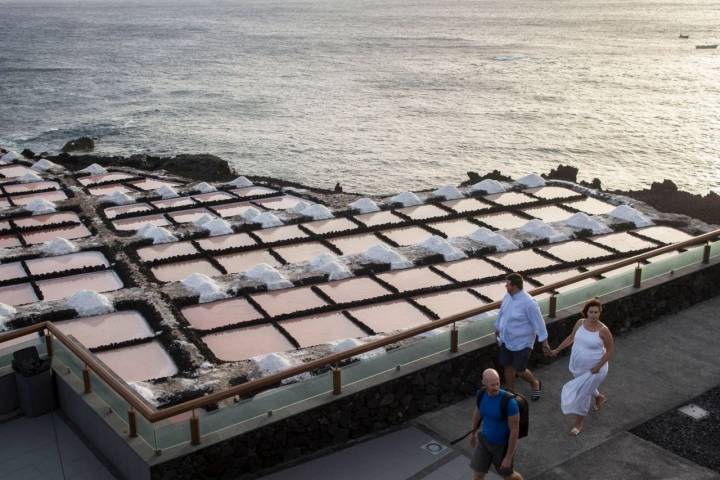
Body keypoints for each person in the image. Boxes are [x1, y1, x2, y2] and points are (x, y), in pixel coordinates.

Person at [550, 299, 614, 436]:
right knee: (586, 387)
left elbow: (610, 351)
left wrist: (598, 366)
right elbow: (571, 338)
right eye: (591, 312)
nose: (594, 315)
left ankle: (579, 424)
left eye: (596, 312)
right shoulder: (580, 323)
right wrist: (558, 349)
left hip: (595, 370)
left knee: (582, 394)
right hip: (578, 367)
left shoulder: (604, 331)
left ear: (600, 313)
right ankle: (599, 397)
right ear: (586, 312)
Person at [495, 273, 550, 400]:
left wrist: (544, 342)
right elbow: (502, 313)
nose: (505, 286)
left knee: (519, 370)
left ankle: (535, 383)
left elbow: (539, 323)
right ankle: (510, 391)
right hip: (506, 339)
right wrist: (497, 328)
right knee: (507, 365)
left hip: (522, 343)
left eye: (507, 284)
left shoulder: (529, 303)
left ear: (514, 286)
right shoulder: (508, 297)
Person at [469, 368, 523, 480]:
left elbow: (514, 432)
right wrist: (473, 433)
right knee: (478, 474)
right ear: (484, 382)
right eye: (492, 385)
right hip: (484, 441)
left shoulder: (509, 403)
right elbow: (477, 413)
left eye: (497, 384)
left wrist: (508, 457)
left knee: (509, 476)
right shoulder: (481, 394)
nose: (496, 387)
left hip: (501, 447)